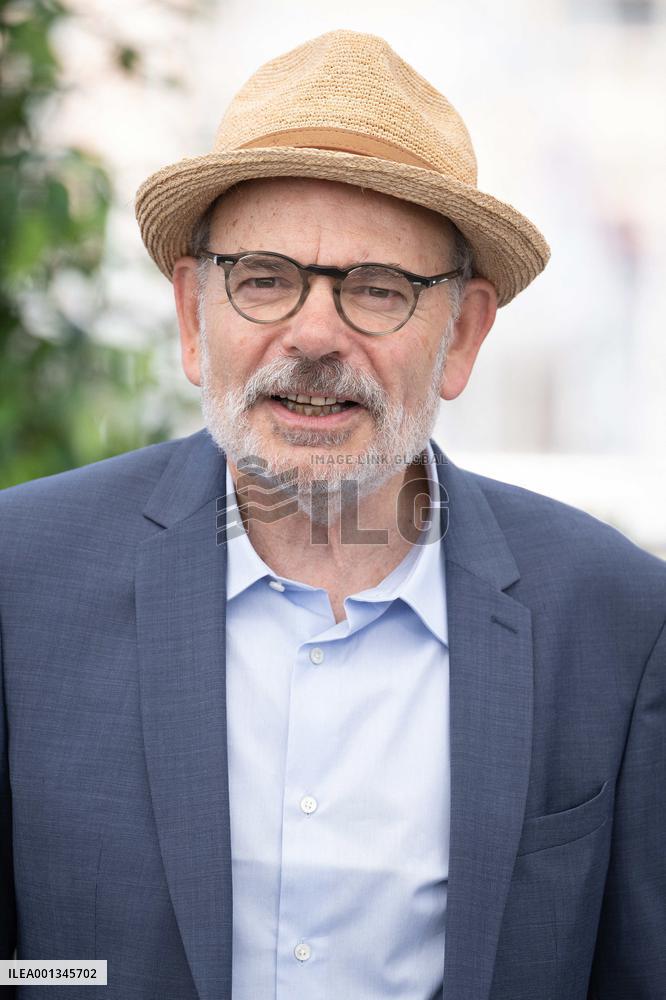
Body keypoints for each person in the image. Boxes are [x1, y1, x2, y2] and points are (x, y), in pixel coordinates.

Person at [0, 28, 664, 1000]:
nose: (313, 334)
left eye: (377, 289)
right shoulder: (19, 577)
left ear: (462, 335)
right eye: (264, 277)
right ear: (193, 315)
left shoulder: (618, 616)